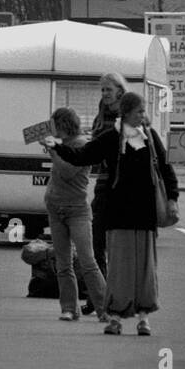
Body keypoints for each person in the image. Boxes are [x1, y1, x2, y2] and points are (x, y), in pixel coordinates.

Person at [45, 92, 178, 335]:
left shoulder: (150, 137)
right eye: (139, 111)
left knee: (144, 268)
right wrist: (58, 147)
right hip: (118, 213)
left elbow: (166, 170)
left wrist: (173, 199)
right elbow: (82, 156)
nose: (143, 115)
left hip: (145, 214)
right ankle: (115, 317)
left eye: (143, 111)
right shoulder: (111, 138)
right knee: (118, 267)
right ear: (126, 113)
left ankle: (143, 318)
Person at [41, 108, 108, 322]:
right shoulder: (61, 144)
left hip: (76, 209)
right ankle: (69, 307)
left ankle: (103, 307)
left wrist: (53, 150)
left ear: (64, 125)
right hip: (55, 206)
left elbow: (67, 172)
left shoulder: (81, 144)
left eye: (55, 126)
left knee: (87, 261)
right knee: (63, 262)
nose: (53, 130)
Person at [83, 72, 127, 315]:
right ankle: (97, 296)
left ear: (120, 90)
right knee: (95, 240)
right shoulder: (102, 111)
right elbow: (95, 142)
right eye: (102, 90)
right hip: (102, 183)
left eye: (108, 90)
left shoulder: (128, 112)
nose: (104, 94)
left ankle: (117, 297)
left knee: (118, 245)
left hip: (121, 186)